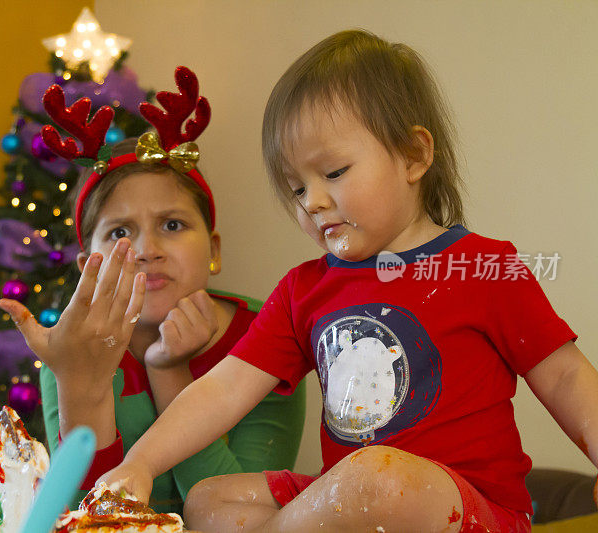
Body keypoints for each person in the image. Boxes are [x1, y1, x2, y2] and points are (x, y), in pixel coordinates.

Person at [97, 30, 598, 532]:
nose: (311, 202)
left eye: (333, 172)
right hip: (350, 499)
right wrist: (140, 463)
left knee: (374, 475)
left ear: (414, 156)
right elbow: (223, 390)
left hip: (471, 513)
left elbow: (566, 376)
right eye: (297, 189)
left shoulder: (484, 267)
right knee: (208, 502)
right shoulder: (303, 290)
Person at [0, 67, 305, 515]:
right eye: (121, 231)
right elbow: (93, 514)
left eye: (172, 224)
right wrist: (82, 385)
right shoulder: (70, 353)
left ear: (214, 250)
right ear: (89, 270)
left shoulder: (266, 338)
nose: (146, 250)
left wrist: (169, 374)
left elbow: (241, 519)